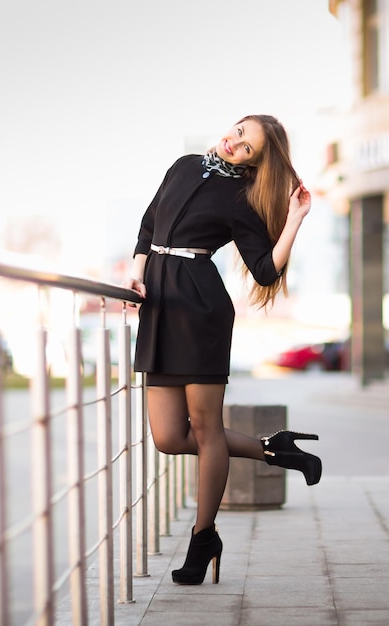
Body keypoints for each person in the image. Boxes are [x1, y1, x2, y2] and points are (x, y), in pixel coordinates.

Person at [123, 114, 322, 587]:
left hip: (201, 310)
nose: (234, 142)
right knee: (169, 436)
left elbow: (265, 271)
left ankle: (203, 536)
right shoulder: (184, 164)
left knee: (206, 428)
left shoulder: (243, 199)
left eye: (247, 146)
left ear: (256, 163)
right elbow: (150, 223)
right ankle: (274, 449)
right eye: (237, 131)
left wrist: (294, 220)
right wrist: (136, 270)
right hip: (159, 309)